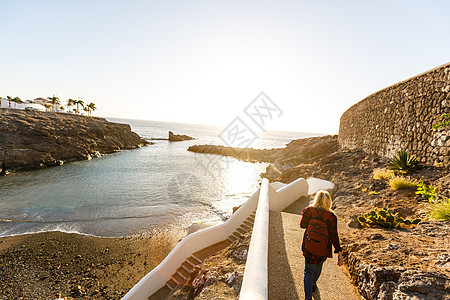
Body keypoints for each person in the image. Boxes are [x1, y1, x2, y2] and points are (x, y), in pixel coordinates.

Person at [300, 190, 343, 300]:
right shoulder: (331, 216)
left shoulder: (309, 211)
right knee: (318, 267)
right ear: (329, 202)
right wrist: (339, 252)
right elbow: (334, 235)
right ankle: (313, 283)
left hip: (309, 246)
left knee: (308, 271)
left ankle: (308, 297)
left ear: (316, 199)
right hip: (323, 249)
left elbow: (302, 225)